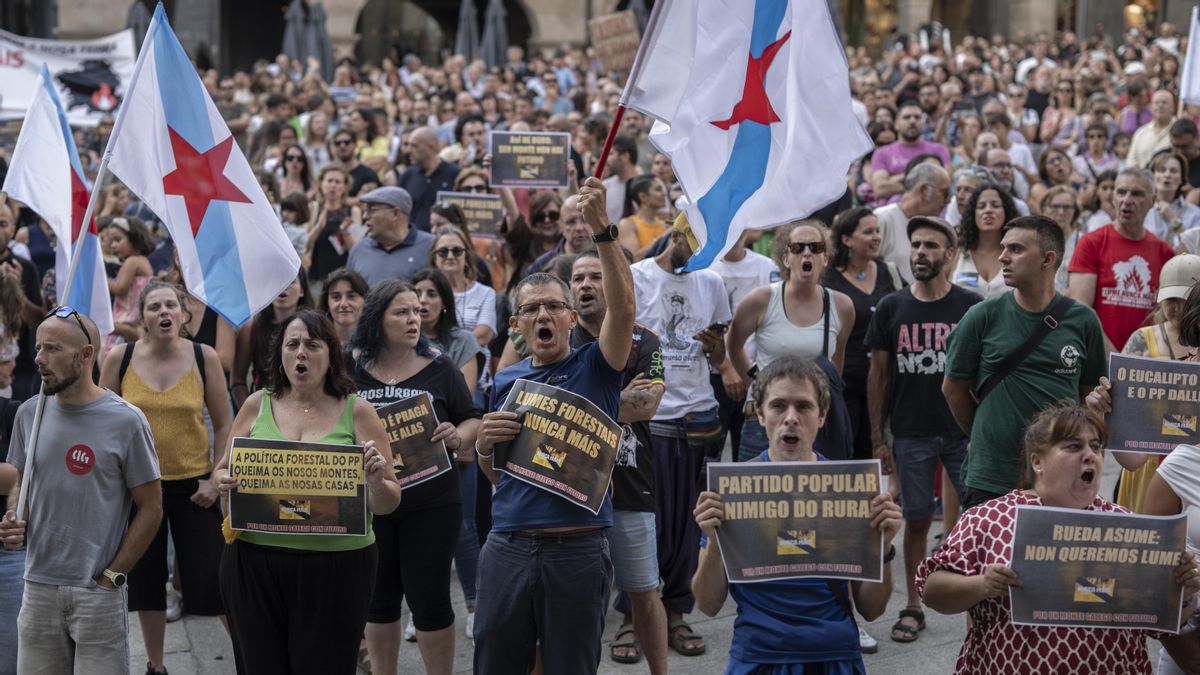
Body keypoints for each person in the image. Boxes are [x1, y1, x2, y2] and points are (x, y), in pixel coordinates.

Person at [473, 176, 635, 674]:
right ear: (516, 326)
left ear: (570, 319)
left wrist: (603, 230)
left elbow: (624, 309)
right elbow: (502, 476)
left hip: (577, 549)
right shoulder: (506, 381)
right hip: (508, 547)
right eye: (530, 309)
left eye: (553, 307)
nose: (542, 314)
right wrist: (482, 448)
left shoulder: (598, 366)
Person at [917, 403, 1200, 674]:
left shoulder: (1126, 523)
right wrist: (984, 585)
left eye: (1096, 447)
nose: (1090, 455)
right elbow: (932, 592)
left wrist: (1182, 589)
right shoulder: (989, 519)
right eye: (1074, 446)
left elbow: (1159, 623)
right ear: (1037, 462)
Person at [212, 309, 401, 674]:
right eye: (292, 344)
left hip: (337, 569)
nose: (301, 353)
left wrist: (376, 482)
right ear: (279, 356)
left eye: (313, 345)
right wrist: (222, 481)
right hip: (255, 563)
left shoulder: (358, 411)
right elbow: (223, 470)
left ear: (331, 355)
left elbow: (389, 501)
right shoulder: (255, 404)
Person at [691, 356, 902, 673]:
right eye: (778, 406)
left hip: (835, 656)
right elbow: (707, 604)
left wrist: (883, 547)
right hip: (758, 657)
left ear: (822, 415)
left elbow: (872, 610)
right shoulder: (730, 491)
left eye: (803, 406)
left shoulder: (851, 491)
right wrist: (716, 540)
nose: (791, 418)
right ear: (760, 414)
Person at [1, 308, 162, 674]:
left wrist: (113, 577)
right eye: (39, 347)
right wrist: (15, 516)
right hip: (38, 586)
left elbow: (151, 508)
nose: (39, 358)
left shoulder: (127, 421)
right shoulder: (29, 414)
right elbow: (22, 482)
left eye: (53, 349)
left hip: (97, 593)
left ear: (86, 355)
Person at [98, 281, 232, 675]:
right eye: (154, 306)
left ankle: (249, 654)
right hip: (139, 490)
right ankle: (156, 665)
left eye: (171, 305)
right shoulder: (119, 358)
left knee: (214, 580)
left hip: (195, 487)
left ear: (184, 315)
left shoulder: (203, 356)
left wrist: (215, 475)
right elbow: (102, 423)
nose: (164, 312)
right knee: (146, 581)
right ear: (142, 317)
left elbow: (225, 424)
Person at [350, 280, 480, 675]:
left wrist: (459, 436)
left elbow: (471, 416)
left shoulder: (440, 367)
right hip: (371, 502)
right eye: (402, 312)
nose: (414, 319)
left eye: (417, 312)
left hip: (433, 502)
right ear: (377, 319)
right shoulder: (348, 366)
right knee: (378, 599)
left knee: (431, 598)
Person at [866, 216, 981, 644]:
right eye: (915, 245)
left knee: (976, 520)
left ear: (950, 255)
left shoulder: (970, 305)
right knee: (915, 521)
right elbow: (878, 377)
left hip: (962, 433)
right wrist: (879, 439)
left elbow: (982, 372)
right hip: (910, 432)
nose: (920, 253)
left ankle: (979, 605)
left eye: (931, 246)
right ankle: (913, 604)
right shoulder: (893, 307)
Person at [943, 215, 1106, 509]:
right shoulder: (981, 316)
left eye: (1016, 249)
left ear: (1048, 259)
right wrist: (985, 435)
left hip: (1059, 480)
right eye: (1003, 248)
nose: (1003, 257)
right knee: (989, 556)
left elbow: (1089, 396)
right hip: (990, 478)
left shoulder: (1084, 321)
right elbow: (953, 388)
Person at [629, 211, 732, 656]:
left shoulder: (711, 283)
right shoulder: (637, 277)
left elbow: (719, 352)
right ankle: (636, 616)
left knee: (690, 525)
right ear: (676, 234)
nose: (702, 256)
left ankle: (676, 613)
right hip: (652, 418)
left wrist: (717, 350)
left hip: (697, 415)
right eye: (697, 244)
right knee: (645, 522)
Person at [567, 251, 669, 672]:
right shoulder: (559, 336)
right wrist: (618, 399)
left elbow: (646, 405)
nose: (586, 285)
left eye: (596, 275)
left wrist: (579, 403)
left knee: (644, 591)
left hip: (630, 484)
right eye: (577, 278)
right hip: (571, 489)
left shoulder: (646, 340)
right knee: (576, 600)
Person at [728, 220, 855, 461]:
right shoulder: (762, 299)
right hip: (764, 419)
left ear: (825, 258)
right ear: (786, 259)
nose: (807, 252)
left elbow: (835, 366)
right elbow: (735, 345)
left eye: (815, 247)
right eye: (798, 247)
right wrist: (757, 383)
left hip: (811, 420)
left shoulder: (842, 306)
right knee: (755, 493)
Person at [823, 208, 902, 463]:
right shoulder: (827, 278)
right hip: (843, 382)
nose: (876, 237)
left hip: (883, 383)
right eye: (868, 232)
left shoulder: (889, 271)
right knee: (842, 455)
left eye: (877, 230)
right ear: (846, 239)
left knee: (876, 458)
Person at [1068, 168, 1177, 352]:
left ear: (1152, 200)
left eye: (1136, 194)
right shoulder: (1091, 243)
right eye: (1121, 192)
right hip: (1099, 361)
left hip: (1147, 363)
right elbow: (1081, 311)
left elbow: (1169, 318)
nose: (1127, 200)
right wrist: (1116, 360)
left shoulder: (1164, 252)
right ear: (1113, 198)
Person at [231, 271, 312, 407]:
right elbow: (237, 381)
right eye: (277, 281)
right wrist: (251, 414)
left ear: (302, 290)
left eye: (290, 282)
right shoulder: (252, 327)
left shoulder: (315, 328)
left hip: (305, 408)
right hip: (265, 411)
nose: (283, 287)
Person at [874, 163, 952, 284]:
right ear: (924, 190)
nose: (948, 201)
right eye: (945, 193)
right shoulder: (883, 219)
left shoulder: (935, 227)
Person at [346, 186, 436, 287]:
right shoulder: (359, 249)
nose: (365, 216)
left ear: (395, 213)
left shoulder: (431, 246)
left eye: (371, 210)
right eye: (365, 210)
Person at [870, 102, 952, 202]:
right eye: (906, 117)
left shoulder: (939, 150)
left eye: (917, 117)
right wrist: (925, 183)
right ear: (896, 124)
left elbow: (945, 185)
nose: (912, 121)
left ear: (923, 123)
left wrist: (895, 179)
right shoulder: (881, 153)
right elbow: (880, 189)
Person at [430, 224, 496, 348]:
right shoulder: (425, 293)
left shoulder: (485, 293)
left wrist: (451, 349)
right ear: (434, 258)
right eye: (443, 251)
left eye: (457, 251)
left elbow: (484, 334)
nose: (450, 256)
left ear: (466, 256)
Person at [954, 181, 1022, 298]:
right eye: (981, 206)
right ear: (973, 213)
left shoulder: (1020, 254)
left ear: (1006, 211)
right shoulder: (957, 251)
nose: (988, 210)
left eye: (995, 205)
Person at [102, 216, 155, 350]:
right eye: (111, 241)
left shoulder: (132, 262)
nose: (113, 245)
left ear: (134, 238)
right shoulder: (143, 260)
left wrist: (102, 278)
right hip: (136, 320)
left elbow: (121, 289)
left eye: (118, 239)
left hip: (128, 319)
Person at [304, 165, 361, 288]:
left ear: (345, 186)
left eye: (338, 182)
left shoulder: (353, 211)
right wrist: (318, 227)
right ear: (321, 184)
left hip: (345, 277)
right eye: (329, 181)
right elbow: (304, 245)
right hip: (317, 276)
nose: (333, 185)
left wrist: (346, 233)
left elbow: (356, 251)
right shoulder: (313, 209)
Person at [398, 127, 460, 232]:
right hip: (413, 241)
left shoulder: (454, 174)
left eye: (414, 146)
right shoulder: (408, 175)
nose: (408, 150)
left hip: (444, 241)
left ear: (430, 147)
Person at [1144, 151, 1200, 248]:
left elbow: (1196, 249)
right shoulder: (1142, 210)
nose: (1167, 175)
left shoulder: (1195, 213)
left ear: (1181, 179)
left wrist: (1173, 219)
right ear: (1153, 176)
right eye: (1162, 170)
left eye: (1173, 171)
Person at [1040, 186, 1085, 292]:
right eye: (1055, 206)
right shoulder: (1034, 239)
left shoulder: (1083, 241)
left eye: (1067, 207)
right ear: (1044, 209)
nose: (1061, 212)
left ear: (1075, 211)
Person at [617, 175, 668, 259]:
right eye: (658, 189)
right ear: (643, 197)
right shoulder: (627, 224)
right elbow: (633, 258)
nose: (664, 193)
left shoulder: (664, 225)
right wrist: (665, 236)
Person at [1126, 90, 1177, 169]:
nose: (1160, 106)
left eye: (1164, 102)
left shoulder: (1180, 132)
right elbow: (1131, 162)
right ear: (1151, 107)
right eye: (1156, 103)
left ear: (1173, 107)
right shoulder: (1141, 133)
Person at [320, 267, 368, 348]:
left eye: (351, 296)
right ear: (327, 303)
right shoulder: (316, 343)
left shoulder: (377, 345)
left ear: (365, 301)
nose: (343, 304)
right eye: (336, 297)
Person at [330, 128, 381, 197]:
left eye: (347, 142)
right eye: (338, 143)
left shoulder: (368, 174)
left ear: (355, 144)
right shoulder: (328, 174)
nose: (342, 146)